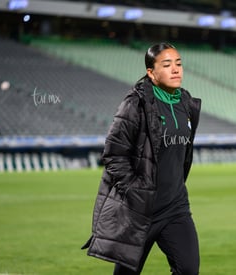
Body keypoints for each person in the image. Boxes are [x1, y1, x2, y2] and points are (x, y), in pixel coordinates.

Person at [82, 42, 202, 275]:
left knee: (188, 269)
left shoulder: (186, 103)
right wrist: (135, 191)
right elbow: (113, 154)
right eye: (167, 65)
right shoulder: (135, 103)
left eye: (178, 63)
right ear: (151, 73)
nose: (176, 69)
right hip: (141, 209)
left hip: (176, 206)